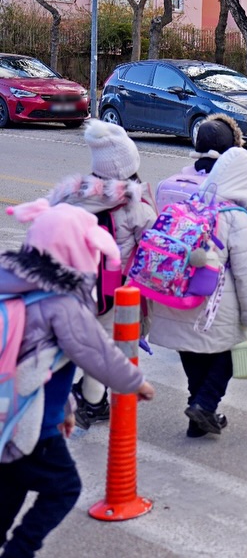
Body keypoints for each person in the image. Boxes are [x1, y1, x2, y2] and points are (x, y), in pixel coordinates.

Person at [0, 201, 155, 558]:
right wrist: (136, 383)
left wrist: (67, 407)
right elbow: (96, 351)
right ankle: (18, 552)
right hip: (30, 425)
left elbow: (41, 364)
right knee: (64, 489)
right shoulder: (62, 304)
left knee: (9, 489)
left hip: (12, 413)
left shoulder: (16, 291)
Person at [149, 148, 247, 436]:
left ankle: (198, 418)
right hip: (213, 303)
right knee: (231, 350)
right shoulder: (234, 216)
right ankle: (205, 404)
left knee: (192, 353)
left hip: (175, 296)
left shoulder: (188, 204)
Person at [45, 120, 155, 431]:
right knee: (104, 346)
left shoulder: (73, 195)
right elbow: (153, 245)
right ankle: (92, 402)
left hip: (71, 283)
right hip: (112, 289)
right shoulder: (134, 206)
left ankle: (83, 397)